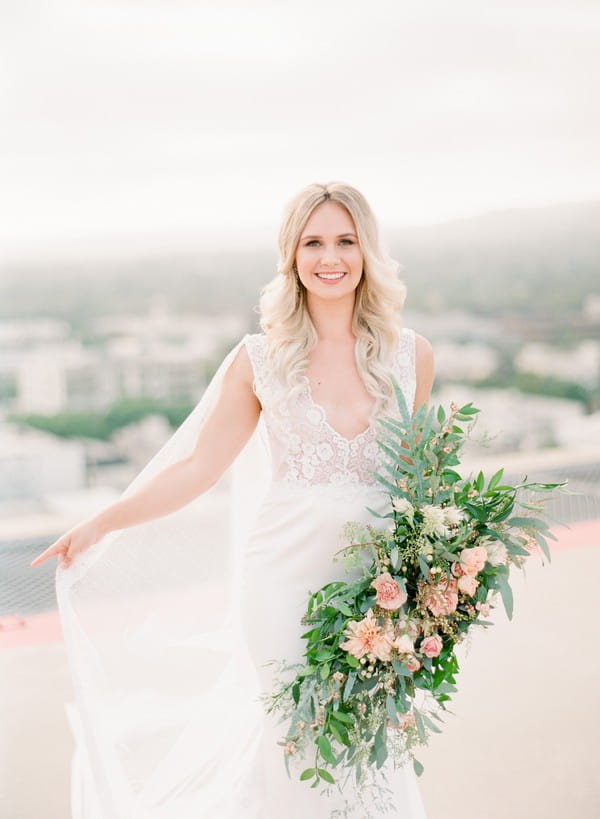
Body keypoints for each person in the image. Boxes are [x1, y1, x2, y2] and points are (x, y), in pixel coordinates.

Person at [31, 181, 434, 818]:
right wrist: (102, 521)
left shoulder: (412, 357)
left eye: (345, 241)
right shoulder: (262, 359)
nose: (330, 258)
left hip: (375, 588)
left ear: (368, 251)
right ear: (292, 257)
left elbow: (416, 487)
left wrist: (435, 577)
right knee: (297, 746)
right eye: (313, 243)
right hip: (283, 590)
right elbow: (197, 467)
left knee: (371, 743)